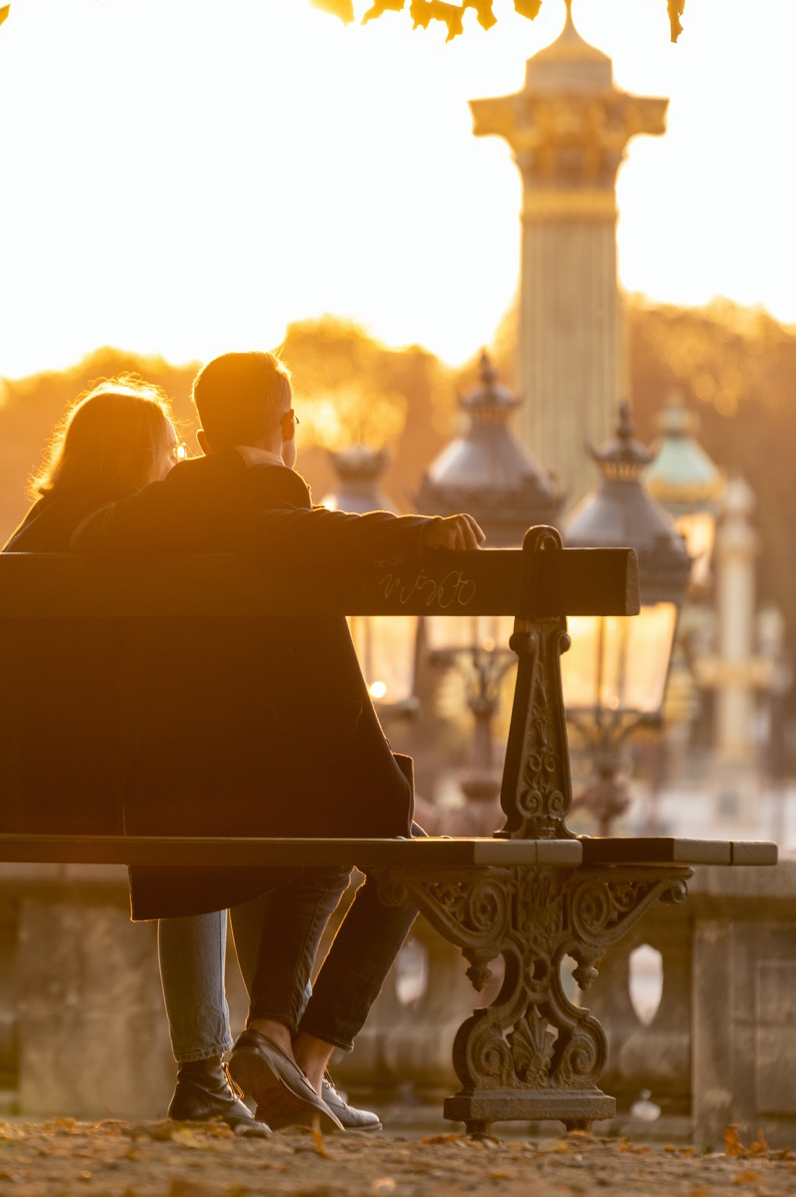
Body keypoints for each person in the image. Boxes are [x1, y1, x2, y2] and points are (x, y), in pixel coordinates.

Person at [72, 350, 483, 1132]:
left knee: (331, 831)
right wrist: (416, 531)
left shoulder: (161, 509)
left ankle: (281, 1049)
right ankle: (304, 1054)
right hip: (274, 778)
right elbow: (292, 533)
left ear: (197, 438)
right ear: (288, 427)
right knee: (407, 852)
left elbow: (96, 534)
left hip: (178, 779)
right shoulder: (272, 497)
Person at [0, 378, 269, 1135]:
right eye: (164, 451)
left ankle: (236, 1061)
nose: (172, 465)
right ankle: (220, 1064)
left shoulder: (47, 523)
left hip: (2, 776)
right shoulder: (113, 531)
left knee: (214, 817)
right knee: (207, 830)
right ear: (136, 459)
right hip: (46, 781)